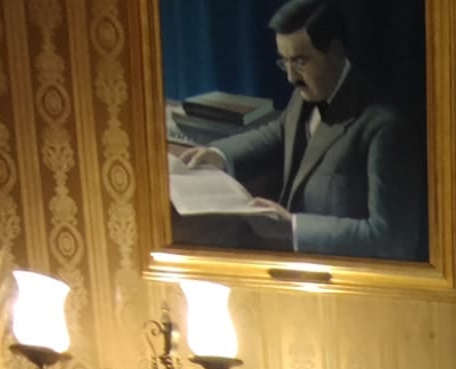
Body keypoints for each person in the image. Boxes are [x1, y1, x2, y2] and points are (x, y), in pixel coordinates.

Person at [174, 0, 424, 260]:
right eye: (285, 62)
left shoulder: (385, 130)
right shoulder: (306, 94)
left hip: (337, 272)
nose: (291, 77)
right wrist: (219, 155)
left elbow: (392, 239)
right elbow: (277, 133)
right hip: (292, 258)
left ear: (335, 51)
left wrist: (293, 227)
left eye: (301, 61)